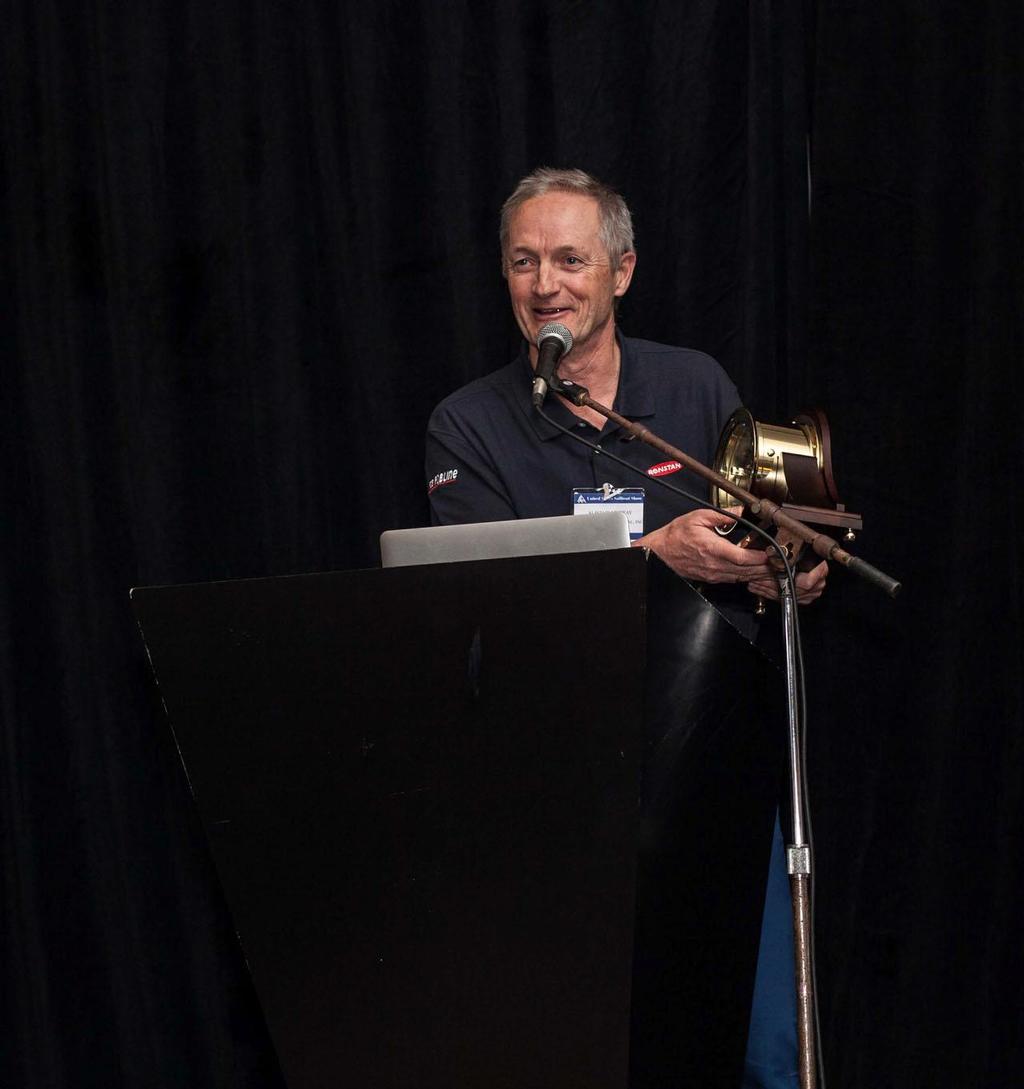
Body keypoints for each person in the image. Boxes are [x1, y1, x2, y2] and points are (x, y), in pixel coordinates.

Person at [425, 167, 825, 1088]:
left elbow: (763, 530)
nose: (545, 283)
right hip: (555, 786)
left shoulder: (693, 387)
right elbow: (482, 603)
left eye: (570, 258)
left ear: (623, 271)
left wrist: (789, 569)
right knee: (585, 1048)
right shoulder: (469, 424)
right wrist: (654, 554)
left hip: (714, 767)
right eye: (523, 260)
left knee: (760, 1049)